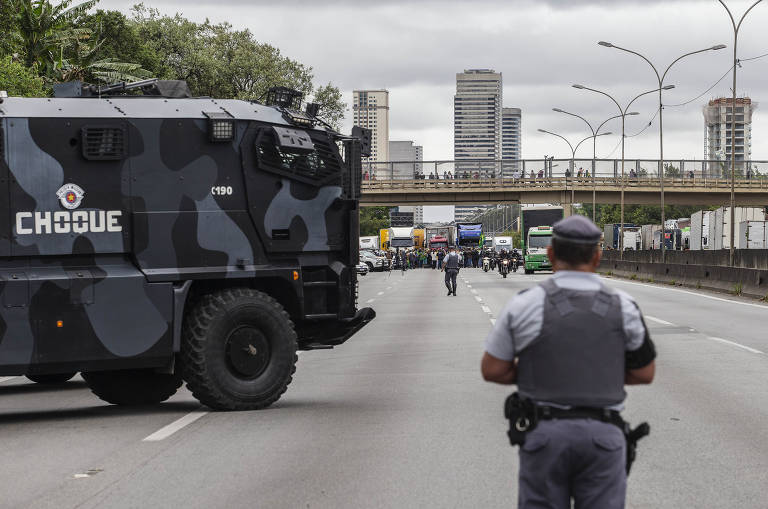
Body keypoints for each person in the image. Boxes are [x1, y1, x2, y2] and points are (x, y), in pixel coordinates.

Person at [481, 215, 656, 509]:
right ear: (598, 256)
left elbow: (493, 369)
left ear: (550, 254)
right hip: (604, 437)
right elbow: (645, 372)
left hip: (545, 436)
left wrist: (545, 371)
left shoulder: (525, 303)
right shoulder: (624, 306)